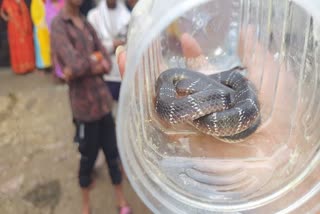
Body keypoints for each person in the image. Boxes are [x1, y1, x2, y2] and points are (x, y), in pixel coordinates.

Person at [50, 0, 131, 213]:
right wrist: (94, 61)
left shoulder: (86, 24)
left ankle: (121, 200)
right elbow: (73, 64)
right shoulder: (59, 26)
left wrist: (87, 63)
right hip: (84, 107)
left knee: (113, 154)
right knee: (87, 158)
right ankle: (86, 206)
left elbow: (103, 59)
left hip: (102, 101)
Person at [87, 0, 131, 101]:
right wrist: (112, 45)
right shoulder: (94, 16)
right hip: (102, 72)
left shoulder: (127, 16)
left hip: (122, 71)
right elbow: (91, 45)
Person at [0, 0, 35, 74]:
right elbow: (1, 11)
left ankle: (28, 66)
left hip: (23, 25)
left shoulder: (20, 1)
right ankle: (19, 68)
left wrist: (19, 3)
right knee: (16, 46)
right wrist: (6, 18)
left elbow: (24, 11)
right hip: (13, 27)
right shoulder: (6, 2)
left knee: (25, 45)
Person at [31, 0, 52, 72]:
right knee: (40, 47)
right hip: (39, 27)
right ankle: (42, 66)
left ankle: (49, 64)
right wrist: (40, 22)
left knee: (48, 46)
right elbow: (34, 13)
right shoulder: (35, 1)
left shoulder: (47, 1)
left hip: (47, 26)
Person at [45, 0, 64, 79]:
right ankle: (59, 74)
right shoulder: (48, 5)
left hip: (65, 32)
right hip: (53, 33)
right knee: (56, 53)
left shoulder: (64, 3)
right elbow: (48, 19)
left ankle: (67, 72)